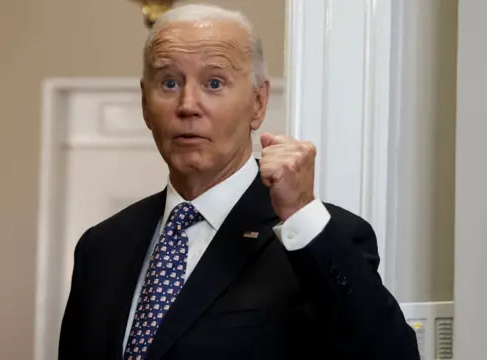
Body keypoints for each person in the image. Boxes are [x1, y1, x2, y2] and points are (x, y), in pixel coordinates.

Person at [58, 4, 420, 360]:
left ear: (258, 103)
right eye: (169, 82)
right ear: (144, 102)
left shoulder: (314, 237)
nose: (188, 105)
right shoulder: (101, 247)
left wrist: (300, 214)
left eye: (214, 83)